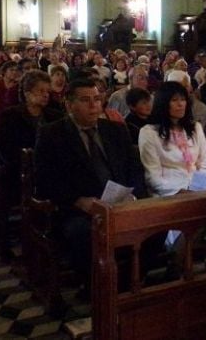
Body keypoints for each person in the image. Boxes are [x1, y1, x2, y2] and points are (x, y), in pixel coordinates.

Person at [34, 78, 142, 282]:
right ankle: (96, 285)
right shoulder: (52, 134)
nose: (93, 106)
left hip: (120, 202)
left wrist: (134, 195)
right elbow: (45, 180)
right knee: (83, 233)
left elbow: (134, 169)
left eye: (97, 99)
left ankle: (125, 280)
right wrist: (79, 200)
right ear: (69, 104)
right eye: (85, 100)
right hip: (80, 209)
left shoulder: (116, 130)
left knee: (155, 226)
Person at [138, 81, 206, 270]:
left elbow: (204, 163)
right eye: (175, 100)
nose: (181, 104)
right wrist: (179, 191)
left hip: (198, 189)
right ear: (164, 103)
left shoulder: (195, 128)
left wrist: (199, 186)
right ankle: (175, 265)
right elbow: (152, 176)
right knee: (202, 216)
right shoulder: (149, 132)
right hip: (169, 194)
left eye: (183, 100)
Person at [0, 70, 63, 204]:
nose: (46, 95)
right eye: (41, 91)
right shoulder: (10, 116)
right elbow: (7, 150)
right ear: (27, 94)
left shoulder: (55, 115)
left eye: (47, 91)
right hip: (21, 169)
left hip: (52, 166)